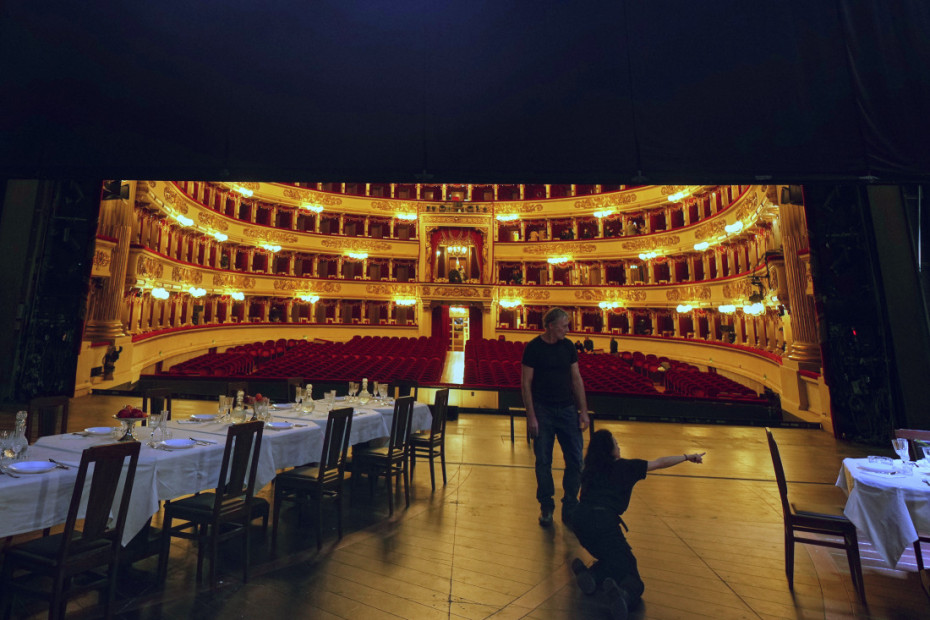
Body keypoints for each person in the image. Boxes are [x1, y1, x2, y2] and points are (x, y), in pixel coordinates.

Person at [571, 429, 705, 619]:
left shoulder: (589, 470)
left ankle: (592, 576)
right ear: (610, 450)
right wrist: (686, 457)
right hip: (604, 523)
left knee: (612, 559)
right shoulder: (626, 467)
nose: (619, 447)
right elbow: (660, 462)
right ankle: (624, 596)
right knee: (630, 573)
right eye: (616, 444)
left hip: (580, 521)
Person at [521, 308, 589, 526]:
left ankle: (570, 505)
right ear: (550, 325)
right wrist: (531, 416)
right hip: (543, 411)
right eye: (564, 326)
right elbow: (526, 384)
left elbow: (576, 379)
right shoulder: (534, 348)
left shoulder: (568, 346)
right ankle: (546, 506)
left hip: (568, 409)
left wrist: (583, 411)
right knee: (543, 461)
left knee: (576, 460)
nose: (567, 330)